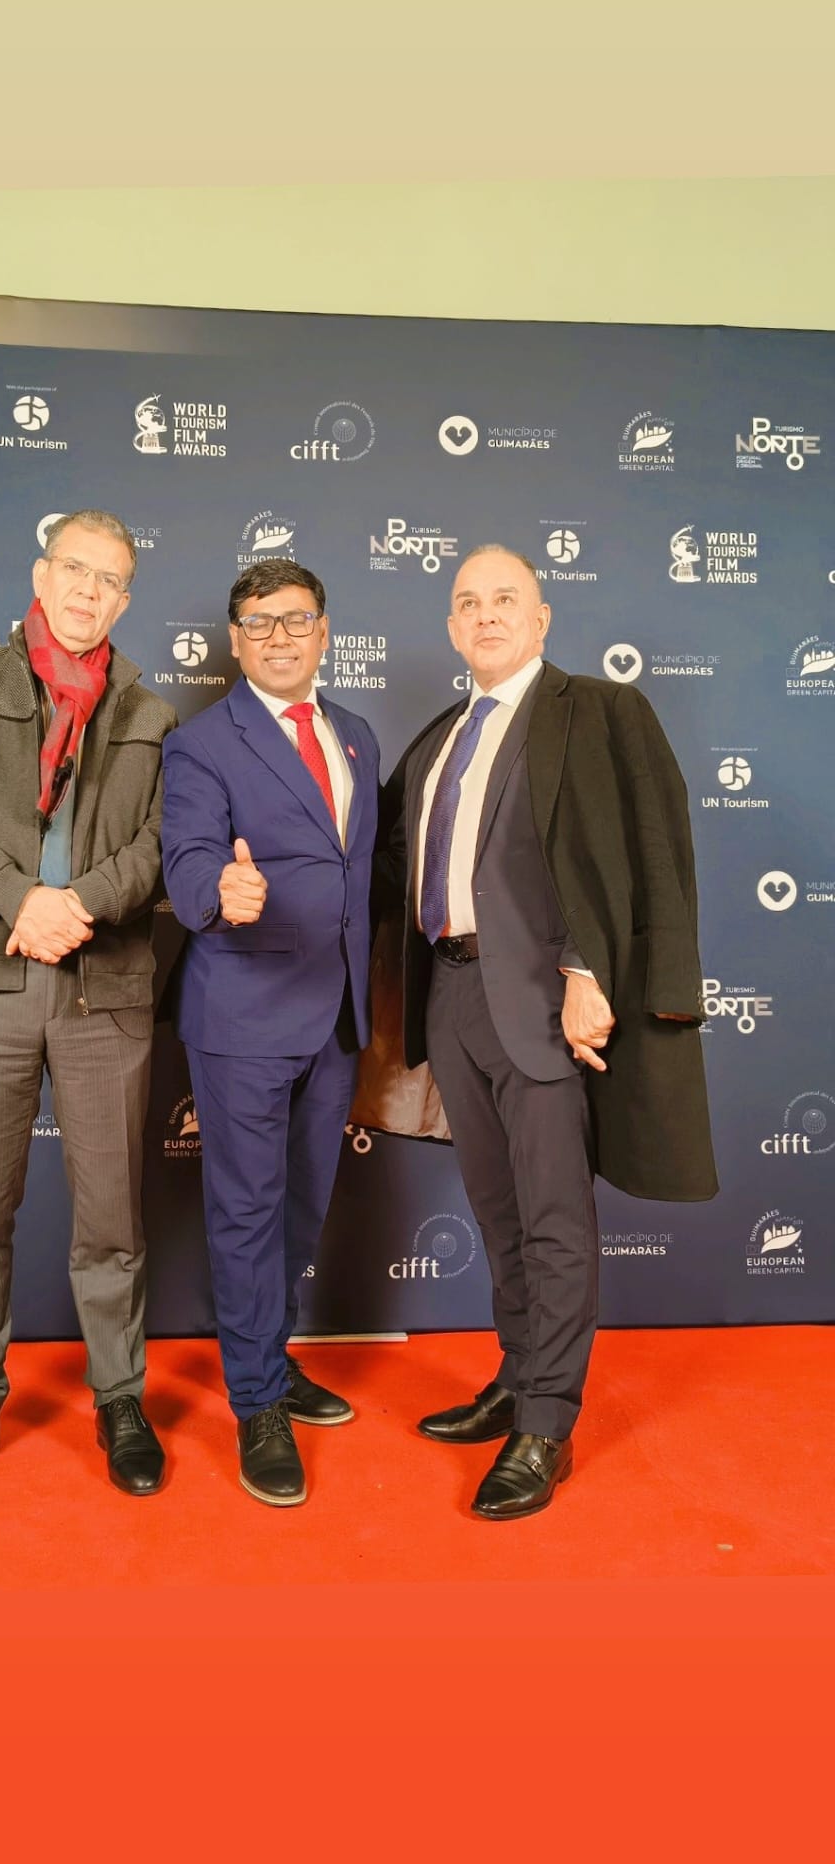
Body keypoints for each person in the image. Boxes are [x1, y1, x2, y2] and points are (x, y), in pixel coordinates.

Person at [378, 544, 717, 1520]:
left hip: (544, 1000)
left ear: (542, 617)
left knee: (554, 1217)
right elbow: (391, 864)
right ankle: (519, 1376)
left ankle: (547, 1425)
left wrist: (589, 970)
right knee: (497, 1212)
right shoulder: (440, 736)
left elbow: (652, 851)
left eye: (506, 598)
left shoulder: (602, 711)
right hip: (451, 996)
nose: (486, 614)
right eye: (468, 602)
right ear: (452, 627)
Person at [0, 510, 177, 1505]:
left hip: (105, 985)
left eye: (110, 579)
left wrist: (78, 904)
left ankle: (121, 1397)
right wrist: (20, 897)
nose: (89, 591)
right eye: (75, 570)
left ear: (125, 599)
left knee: (112, 1216)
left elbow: (159, 843)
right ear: (41, 574)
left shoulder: (151, 712)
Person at [161, 559, 379, 1506]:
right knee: (246, 1212)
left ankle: (272, 1359)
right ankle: (255, 1403)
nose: (279, 637)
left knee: (299, 1208)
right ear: (235, 640)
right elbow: (187, 855)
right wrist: (219, 890)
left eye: (296, 619)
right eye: (259, 622)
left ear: (324, 631)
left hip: (335, 1014)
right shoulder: (202, 743)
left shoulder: (356, 733)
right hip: (243, 1012)